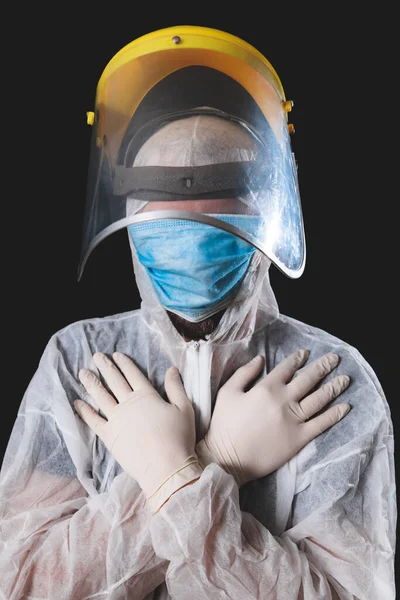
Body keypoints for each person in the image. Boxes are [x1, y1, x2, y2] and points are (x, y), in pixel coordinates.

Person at [0, 25, 396, 600]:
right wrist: (213, 464)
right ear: (131, 210)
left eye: (217, 195)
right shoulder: (80, 364)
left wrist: (172, 480)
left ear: (262, 210)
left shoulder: (328, 380)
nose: (190, 218)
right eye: (165, 199)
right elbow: (22, 582)